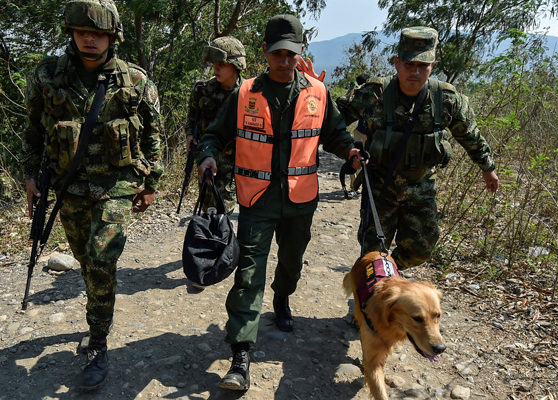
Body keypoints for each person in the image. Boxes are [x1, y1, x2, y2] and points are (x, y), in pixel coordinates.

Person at [196, 14, 363, 391]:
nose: (285, 61)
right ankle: (241, 354)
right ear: (265, 53)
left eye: (291, 53)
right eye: (277, 53)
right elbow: (213, 135)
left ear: (301, 52)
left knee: (290, 261)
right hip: (256, 199)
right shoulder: (245, 94)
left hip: (300, 199)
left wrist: (351, 151)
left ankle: (283, 298)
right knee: (249, 273)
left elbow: (335, 133)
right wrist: (206, 154)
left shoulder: (318, 94)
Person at [22, 0, 163, 390]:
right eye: (82, 31)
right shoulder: (47, 76)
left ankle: (97, 342)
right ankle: (98, 308)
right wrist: (31, 176)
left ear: (112, 36)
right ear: (70, 32)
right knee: (85, 259)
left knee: (101, 259)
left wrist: (151, 182)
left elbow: (154, 134)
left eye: (98, 33)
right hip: (69, 185)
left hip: (116, 185)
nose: (89, 38)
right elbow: (33, 131)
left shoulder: (133, 80)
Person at [337, 26, 499, 269]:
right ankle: (371, 297)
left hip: (422, 186)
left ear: (432, 66)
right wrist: (350, 150)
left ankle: (388, 272)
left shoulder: (446, 99)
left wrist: (487, 167)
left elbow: (470, 136)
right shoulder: (374, 94)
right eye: (409, 64)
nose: (415, 71)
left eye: (423, 65)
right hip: (381, 185)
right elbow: (333, 123)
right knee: (371, 252)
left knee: (421, 250)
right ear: (397, 63)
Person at [185, 36, 246, 214]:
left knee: (226, 209)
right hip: (207, 158)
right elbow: (192, 116)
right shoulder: (202, 90)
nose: (216, 68)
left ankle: (223, 239)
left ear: (235, 65)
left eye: (222, 64)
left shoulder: (248, 95)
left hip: (236, 162)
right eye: (214, 63)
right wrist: (190, 134)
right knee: (209, 208)